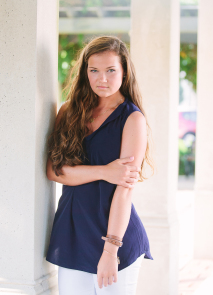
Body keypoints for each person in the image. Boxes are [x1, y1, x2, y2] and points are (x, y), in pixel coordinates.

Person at [45, 36, 154, 294]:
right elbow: (54, 170)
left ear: (124, 72)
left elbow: (124, 190)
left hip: (115, 236)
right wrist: (106, 171)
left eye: (110, 70)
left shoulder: (131, 119)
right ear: (85, 72)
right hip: (73, 234)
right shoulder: (69, 111)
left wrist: (110, 250)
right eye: (93, 70)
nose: (101, 79)